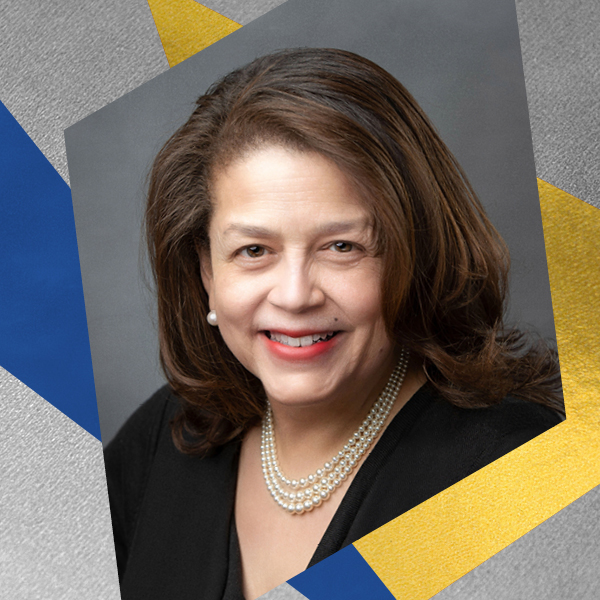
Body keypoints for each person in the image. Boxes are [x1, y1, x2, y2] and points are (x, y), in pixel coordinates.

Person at [104, 48, 563, 600]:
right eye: (254, 250)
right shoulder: (165, 438)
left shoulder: (513, 475)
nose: (295, 295)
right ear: (206, 270)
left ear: (412, 256)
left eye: (341, 247)